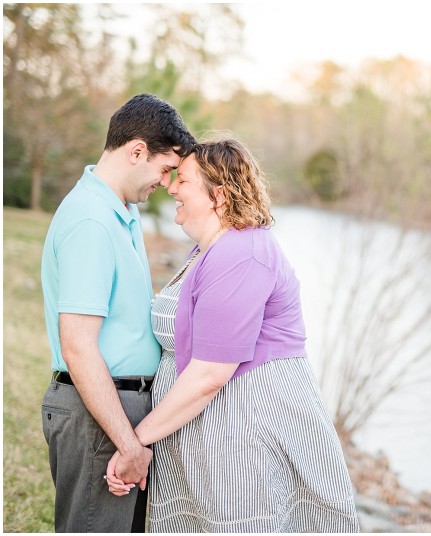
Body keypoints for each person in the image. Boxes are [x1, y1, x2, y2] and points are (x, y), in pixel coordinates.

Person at [105, 137, 361, 532]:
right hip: (211, 429)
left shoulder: (242, 253)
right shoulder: (210, 249)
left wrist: (135, 442)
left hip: (246, 429)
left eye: (184, 181)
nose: (171, 188)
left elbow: (210, 376)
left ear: (218, 196)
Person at [40, 93, 196, 533]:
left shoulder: (119, 213)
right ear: (136, 152)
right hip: (99, 415)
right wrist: (128, 444)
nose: (166, 183)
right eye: (166, 169)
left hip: (116, 412)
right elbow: (78, 345)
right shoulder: (92, 220)